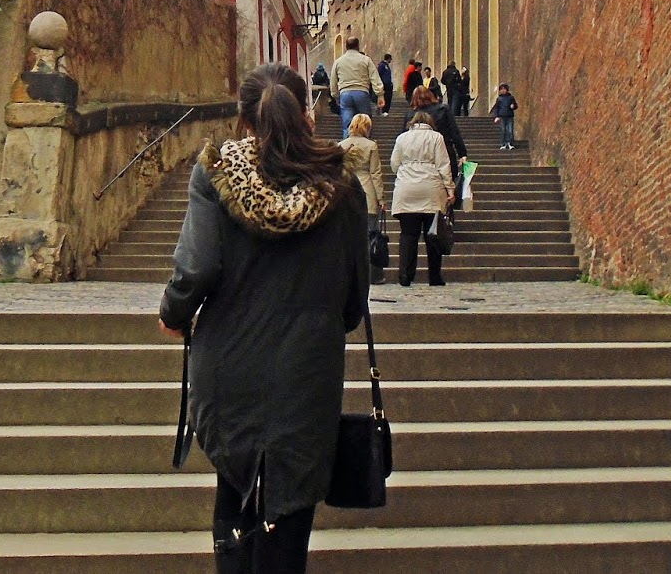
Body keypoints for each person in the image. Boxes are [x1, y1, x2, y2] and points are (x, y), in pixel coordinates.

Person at [160, 63, 369, 573]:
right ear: (307, 114)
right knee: (289, 516)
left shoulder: (215, 174)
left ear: (243, 118)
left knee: (234, 495)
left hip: (229, 363)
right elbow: (354, 301)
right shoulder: (341, 185)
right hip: (306, 371)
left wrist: (173, 313)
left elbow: (198, 266)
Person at [390, 109, 454, 287]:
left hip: (407, 188)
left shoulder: (401, 138)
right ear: (430, 123)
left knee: (408, 235)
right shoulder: (436, 138)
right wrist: (450, 189)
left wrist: (406, 170)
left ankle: (405, 273)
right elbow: (443, 165)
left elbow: (394, 164)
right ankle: (434, 276)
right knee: (433, 234)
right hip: (431, 189)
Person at [340, 112, 387, 285]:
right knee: (370, 236)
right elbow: (375, 174)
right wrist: (382, 199)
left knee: (350, 237)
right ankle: (372, 273)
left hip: (347, 193)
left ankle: (351, 274)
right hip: (367, 192)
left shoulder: (341, 145)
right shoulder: (371, 146)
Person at [413, 84, 468, 212]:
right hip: (446, 151)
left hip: (421, 156)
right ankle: (446, 216)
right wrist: (462, 153)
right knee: (447, 186)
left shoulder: (412, 114)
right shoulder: (443, 109)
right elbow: (455, 132)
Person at [332, 36, 384, 139]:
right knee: (365, 123)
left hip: (345, 93)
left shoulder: (338, 61)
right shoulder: (366, 60)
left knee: (347, 125)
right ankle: (365, 145)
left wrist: (335, 95)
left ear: (346, 46)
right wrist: (380, 95)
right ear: (358, 46)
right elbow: (374, 77)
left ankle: (347, 148)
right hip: (362, 92)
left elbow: (333, 81)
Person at [491, 83, 518, 150]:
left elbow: (515, 106)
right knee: (503, 130)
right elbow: (496, 108)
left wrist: (513, 106)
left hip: (509, 116)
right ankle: (503, 144)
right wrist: (497, 116)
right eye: (501, 89)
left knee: (510, 130)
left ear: (507, 90)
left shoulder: (511, 98)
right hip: (502, 117)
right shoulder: (499, 99)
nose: (503, 90)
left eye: (504, 89)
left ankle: (510, 143)